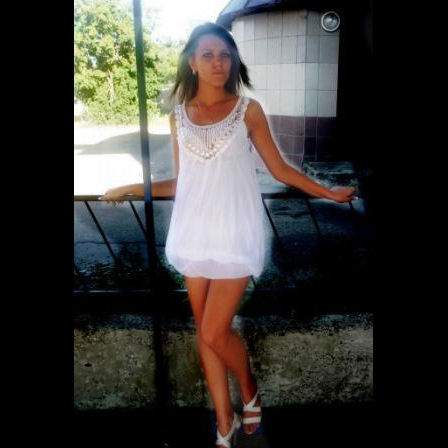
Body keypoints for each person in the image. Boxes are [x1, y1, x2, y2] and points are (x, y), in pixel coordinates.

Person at [99, 21, 357, 448]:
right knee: (204, 331)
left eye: (225, 55)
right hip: (193, 231)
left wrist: (328, 192)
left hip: (235, 232)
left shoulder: (247, 111)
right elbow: (182, 182)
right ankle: (225, 421)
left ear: (233, 61)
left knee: (214, 332)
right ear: (192, 63)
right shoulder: (178, 117)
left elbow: (280, 169)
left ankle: (249, 389)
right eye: (208, 55)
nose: (218, 63)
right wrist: (129, 187)